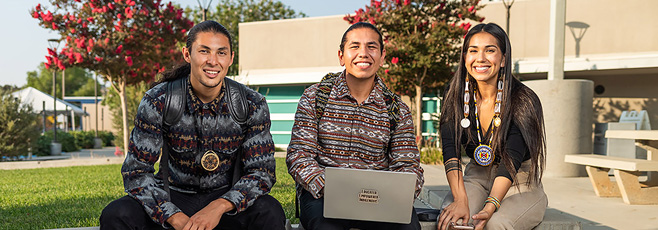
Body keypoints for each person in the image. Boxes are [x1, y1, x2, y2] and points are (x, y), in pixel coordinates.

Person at [99, 20, 285, 230]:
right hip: (171, 197)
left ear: (231, 58)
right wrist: (173, 216)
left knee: (270, 211)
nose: (213, 61)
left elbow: (262, 172)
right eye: (204, 51)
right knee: (117, 214)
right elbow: (136, 172)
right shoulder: (158, 100)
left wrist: (219, 206)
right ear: (187, 55)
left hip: (226, 203)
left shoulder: (251, 103)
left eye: (221, 53)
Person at [286, 22, 424, 230]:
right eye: (355, 46)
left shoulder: (397, 109)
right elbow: (299, 155)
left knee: (408, 227)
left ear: (382, 56)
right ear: (341, 56)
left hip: (379, 199)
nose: (363, 53)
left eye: (371, 47)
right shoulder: (315, 97)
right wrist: (332, 189)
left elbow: (407, 164)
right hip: (324, 197)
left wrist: (403, 190)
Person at [437, 23, 548, 230]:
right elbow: (450, 150)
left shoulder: (524, 99)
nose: (480, 58)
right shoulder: (454, 96)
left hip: (519, 182)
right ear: (464, 57)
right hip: (477, 176)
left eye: (490, 50)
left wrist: (490, 207)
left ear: (503, 59)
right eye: (473, 51)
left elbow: (512, 160)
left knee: (496, 224)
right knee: (452, 221)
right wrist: (461, 199)